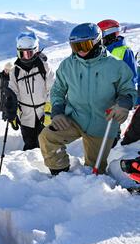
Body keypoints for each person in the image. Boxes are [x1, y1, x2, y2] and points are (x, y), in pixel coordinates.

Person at [39, 23, 136, 175]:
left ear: (97, 41)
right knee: (48, 137)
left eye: (85, 45)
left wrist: (123, 105)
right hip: (75, 118)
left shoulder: (115, 66)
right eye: (76, 46)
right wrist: (57, 111)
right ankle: (60, 174)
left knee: (95, 171)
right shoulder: (67, 66)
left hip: (102, 122)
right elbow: (57, 90)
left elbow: (128, 90)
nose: (81, 51)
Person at [8, 32, 55, 151]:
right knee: (29, 145)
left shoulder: (44, 67)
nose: (26, 57)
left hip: (43, 114)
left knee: (45, 145)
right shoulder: (15, 72)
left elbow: (53, 90)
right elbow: (12, 93)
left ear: (36, 50)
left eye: (29, 53)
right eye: (22, 54)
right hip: (26, 117)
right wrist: (12, 112)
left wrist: (48, 112)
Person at [98, 19, 139, 147]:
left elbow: (131, 77)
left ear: (109, 34)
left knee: (111, 129)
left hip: (115, 99)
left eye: (101, 34)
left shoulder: (124, 51)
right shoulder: (100, 50)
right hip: (100, 97)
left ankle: (111, 151)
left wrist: (126, 100)